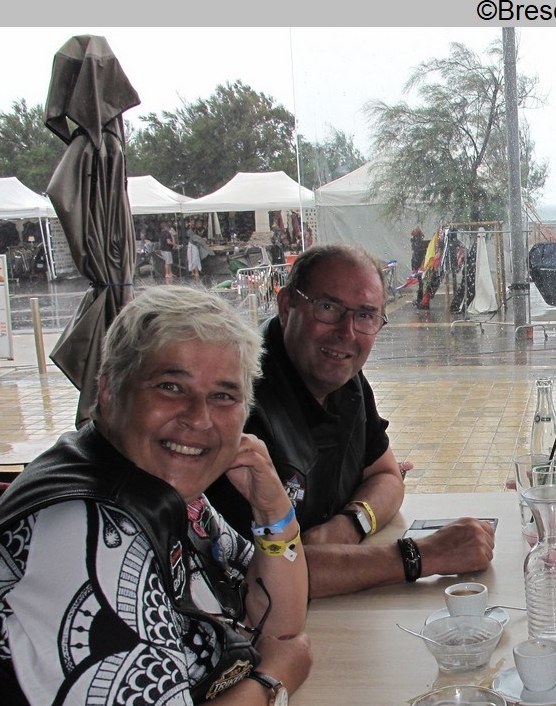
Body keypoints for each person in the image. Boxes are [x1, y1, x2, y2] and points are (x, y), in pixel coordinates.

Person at [0, 287, 312, 706]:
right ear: (109, 391)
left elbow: (278, 621)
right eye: (171, 386)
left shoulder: (163, 489)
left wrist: (274, 508)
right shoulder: (83, 528)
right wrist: (272, 685)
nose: (199, 418)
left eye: (224, 396)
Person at [207, 243, 495, 599]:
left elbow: (387, 477)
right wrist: (422, 555)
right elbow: (258, 572)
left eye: (365, 316)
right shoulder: (235, 403)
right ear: (286, 306)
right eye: (328, 308)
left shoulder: (346, 381)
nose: (347, 332)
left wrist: (350, 524)